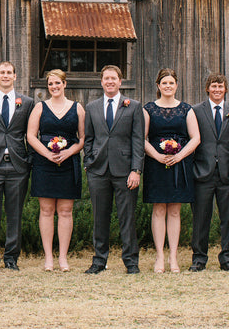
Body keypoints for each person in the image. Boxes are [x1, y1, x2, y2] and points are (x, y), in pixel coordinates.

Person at [82, 65, 145, 274]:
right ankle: (99, 261)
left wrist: (136, 169)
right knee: (100, 217)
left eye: (113, 78)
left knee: (127, 217)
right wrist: (89, 162)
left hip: (125, 171)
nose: (110, 82)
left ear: (120, 81)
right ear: (101, 82)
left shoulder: (133, 106)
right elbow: (89, 138)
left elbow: (138, 140)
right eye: (106, 78)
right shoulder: (91, 107)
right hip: (98, 171)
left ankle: (131, 262)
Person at [0, 61, 34, 274]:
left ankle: (11, 258)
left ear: (15, 76)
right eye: (2, 72)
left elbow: (31, 132)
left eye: (9, 72)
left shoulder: (26, 102)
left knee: (14, 213)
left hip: (18, 165)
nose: (5, 76)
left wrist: (28, 159)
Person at [142, 68, 199, 274]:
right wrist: (156, 156)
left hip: (180, 164)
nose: (168, 86)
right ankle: (159, 257)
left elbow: (196, 138)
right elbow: (142, 138)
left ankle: (173, 257)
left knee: (175, 210)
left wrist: (180, 156)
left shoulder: (186, 109)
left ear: (176, 86)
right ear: (158, 86)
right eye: (164, 83)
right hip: (156, 164)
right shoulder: (148, 109)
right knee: (158, 209)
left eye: (171, 83)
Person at [27, 69, 85, 272]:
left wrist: (69, 152)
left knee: (65, 211)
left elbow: (83, 138)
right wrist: (46, 154)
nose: (54, 87)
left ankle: (63, 258)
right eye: (51, 84)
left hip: (68, 164)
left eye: (57, 83)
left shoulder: (77, 108)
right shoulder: (40, 108)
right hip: (44, 164)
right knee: (46, 210)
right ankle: (48, 258)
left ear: (64, 84)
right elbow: (31, 136)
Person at [190, 74, 229, 272]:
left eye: (220, 86)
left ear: (226, 89)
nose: (217, 90)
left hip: (228, 173)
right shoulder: (196, 110)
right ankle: (199, 258)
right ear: (207, 88)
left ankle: (227, 257)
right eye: (213, 86)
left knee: (228, 217)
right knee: (201, 217)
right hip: (203, 172)